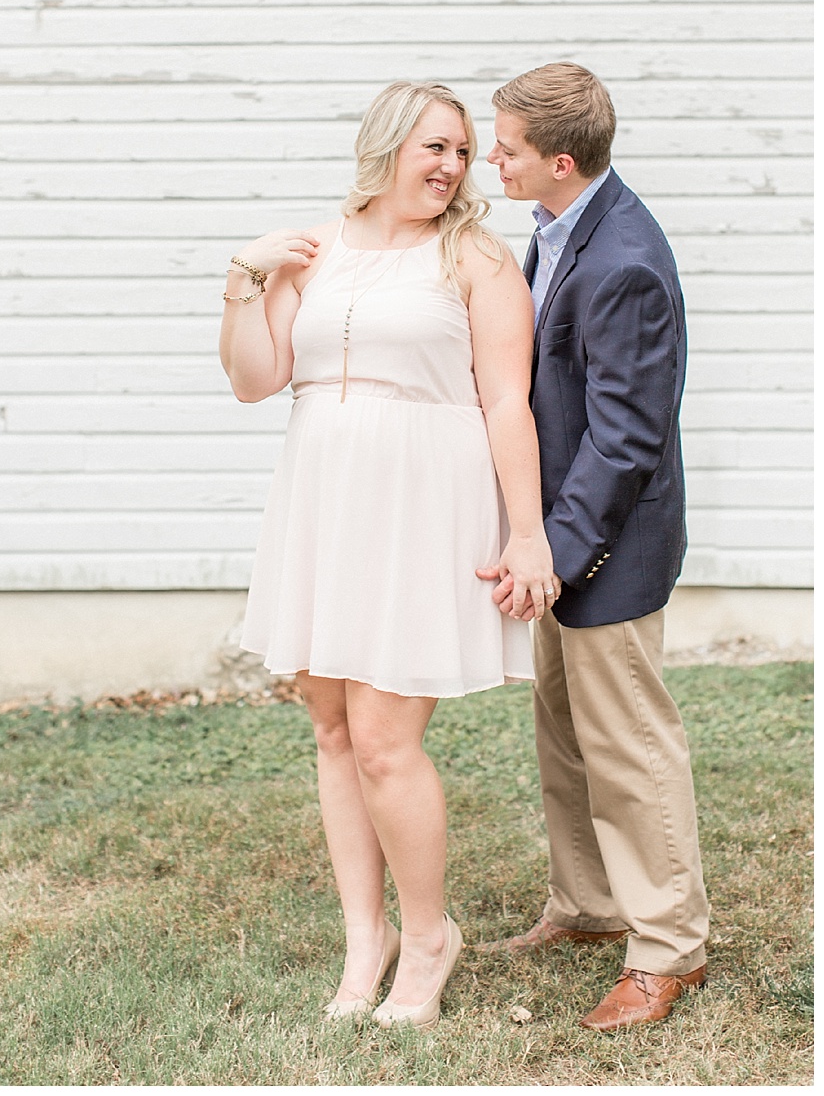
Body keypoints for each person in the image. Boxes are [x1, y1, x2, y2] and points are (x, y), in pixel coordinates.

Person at [218, 81, 554, 1029]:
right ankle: (366, 941)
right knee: (331, 728)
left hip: (425, 503)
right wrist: (246, 279)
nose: (452, 166)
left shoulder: (477, 259)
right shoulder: (312, 252)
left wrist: (526, 531)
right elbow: (254, 381)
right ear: (386, 148)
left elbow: (505, 402)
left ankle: (431, 935)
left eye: (461, 150)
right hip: (324, 501)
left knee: (385, 740)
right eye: (434, 147)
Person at [474, 62, 709, 1032]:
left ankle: (670, 946)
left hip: (606, 544)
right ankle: (590, 903)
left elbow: (625, 439)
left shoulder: (622, 263)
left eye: (508, 148)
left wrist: (555, 551)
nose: (492, 158)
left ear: (559, 162)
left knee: (629, 747)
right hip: (561, 538)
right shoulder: (562, 226)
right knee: (565, 733)